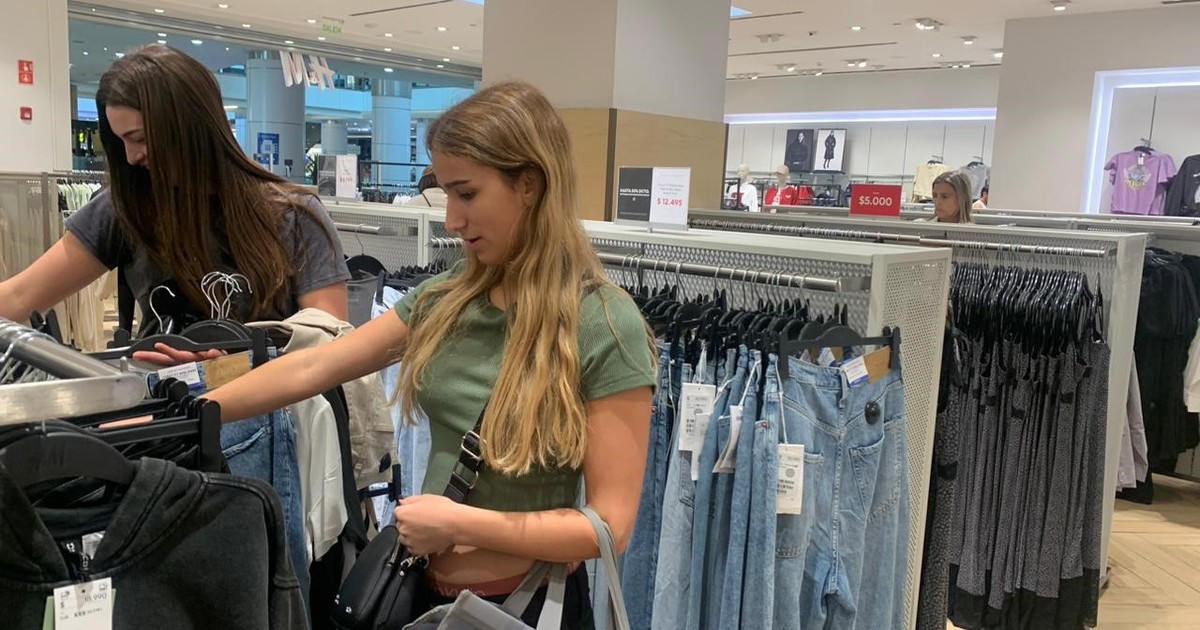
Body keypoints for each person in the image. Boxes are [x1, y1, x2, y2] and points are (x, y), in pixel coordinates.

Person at [204, 81, 658, 627]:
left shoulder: (604, 323)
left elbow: (609, 527)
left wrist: (458, 525)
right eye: (447, 195)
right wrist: (192, 409)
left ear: (530, 184)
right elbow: (317, 365)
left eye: (467, 194)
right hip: (422, 597)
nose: (452, 220)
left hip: (528, 608)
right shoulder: (446, 298)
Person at [0, 44, 350, 365]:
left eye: (139, 138)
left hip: (267, 407)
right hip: (161, 405)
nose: (131, 156)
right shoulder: (125, 207)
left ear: (188, 125)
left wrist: (228, 369)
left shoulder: (293, 215)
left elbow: (329, 348)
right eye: (121, 142)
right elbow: (20, 297)